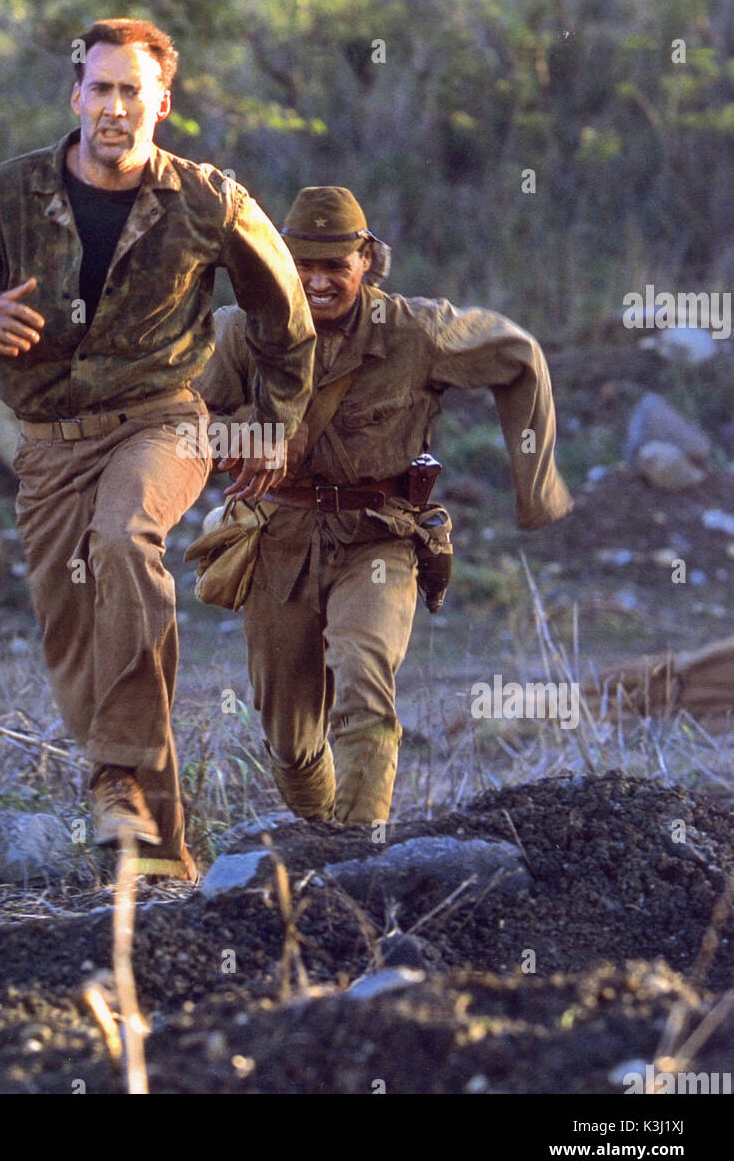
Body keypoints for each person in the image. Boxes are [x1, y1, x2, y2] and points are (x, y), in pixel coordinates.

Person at [0, 18, 315, 880]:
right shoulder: (7, 195)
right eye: (101, 89)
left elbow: (286, 318)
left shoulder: (209, 201)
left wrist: (272, 422)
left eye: (134, 92)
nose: (115, 108)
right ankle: (160, 852)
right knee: (69, 627)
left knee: (124, 538)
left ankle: (113, 771)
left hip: (161, 419)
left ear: (162, 105)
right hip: (50, 442)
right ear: (76, 97)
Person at [194, 185, 573, 825]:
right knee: (289, 737)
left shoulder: (418, 332)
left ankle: (361, 848)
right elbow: (180, 417)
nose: (317, 282)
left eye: (334, 267)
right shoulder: (243, 333)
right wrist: (250, 437)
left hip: (380, 537)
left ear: (366, 259)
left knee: (364, 672)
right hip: (277, 539)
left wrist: (534, 490)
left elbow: (519, 355)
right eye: (302, 265)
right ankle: (321, 842)